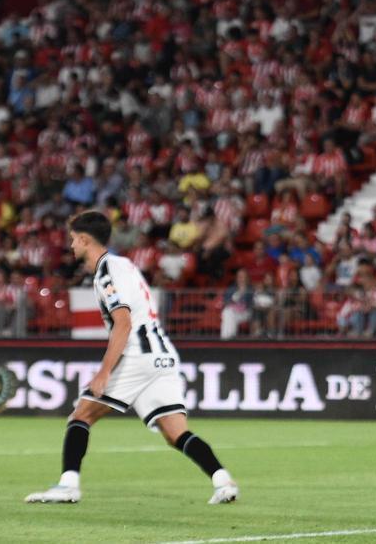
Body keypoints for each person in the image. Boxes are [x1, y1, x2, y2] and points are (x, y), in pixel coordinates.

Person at [25, 211, 238, 505]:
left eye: (73, 239)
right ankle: (222, 480)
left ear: (86, 239)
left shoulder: (107, 272)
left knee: (81, 415)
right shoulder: (123, 264)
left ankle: (68, 485)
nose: (71, 244)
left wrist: (104, 373)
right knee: (175, 432)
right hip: (162, 355)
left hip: (137, 354)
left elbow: (123, 323)